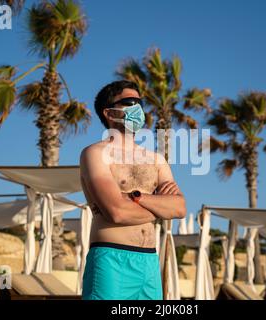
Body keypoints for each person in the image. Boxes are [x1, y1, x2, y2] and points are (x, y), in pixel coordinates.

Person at [79, 80, 186, 300]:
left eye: (140, 102)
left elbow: (179, 208)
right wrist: (159, 205)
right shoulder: (95, 154)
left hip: (149, 263)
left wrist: (135, 198)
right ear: (109, 113)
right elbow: (116, 213)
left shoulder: (156, 160)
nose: (138, 108)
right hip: (111, 260)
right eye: (129, 102)